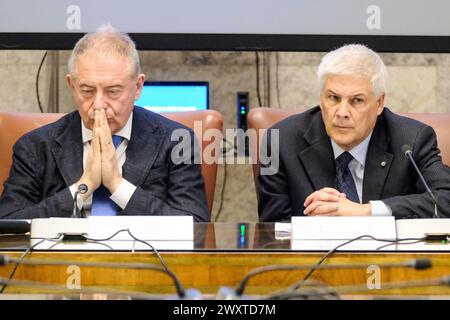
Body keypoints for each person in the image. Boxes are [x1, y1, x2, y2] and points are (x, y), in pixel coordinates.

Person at [0, 25, 209, 222]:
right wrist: (84, 186)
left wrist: (117, 186)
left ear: (138, 87)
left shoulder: (177, 141)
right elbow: (9, 224)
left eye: (113, 91)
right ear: (72, 86)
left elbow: (196, 226)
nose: (99, 104)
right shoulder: (35, 147)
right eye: (87, 91)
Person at [258, 44, 450, 222]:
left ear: (379, 103)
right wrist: (315, 227)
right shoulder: (280, 141)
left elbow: (444, 200)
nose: (342, 113)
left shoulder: (411, 140)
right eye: (333, 98)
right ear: (321, 97)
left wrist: (366, 211)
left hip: (388, 258)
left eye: (357, 100)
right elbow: (273, 230)